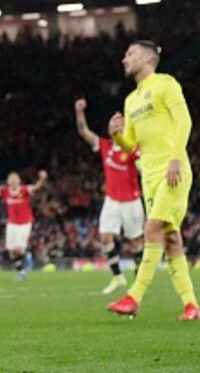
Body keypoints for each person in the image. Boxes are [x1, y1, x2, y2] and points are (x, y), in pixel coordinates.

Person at [107, 41, 200, 321]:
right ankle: (191, 306)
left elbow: (184, 120)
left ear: (148, 58)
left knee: (152, 229)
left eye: (130, 54)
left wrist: (175, 157)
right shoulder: (131, 100)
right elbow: (130, 145)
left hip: (173, 170)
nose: (125, 59)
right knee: (171, 240)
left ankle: (133, 297)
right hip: (148, 177)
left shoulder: (165, 83)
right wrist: (116, 135)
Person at [74, 98, 144, 294]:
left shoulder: (131, 148)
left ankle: (140, 281)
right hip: (112, 200)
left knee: (136, 242)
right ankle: (118, 277)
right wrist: (79, 112)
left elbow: (142, 167)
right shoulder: (104, 146)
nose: (117, 125)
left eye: (121, 122)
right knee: (105, 237)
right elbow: (83, 132)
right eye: (114, 122)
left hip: (131, 201)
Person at [0, 168, 48, 280]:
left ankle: (27, 256)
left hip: (24, 223)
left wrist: (42, 178)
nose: (13, 180)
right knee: (11, 251)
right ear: (8, 181)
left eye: (15, 178)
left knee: (18, 249)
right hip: (12, 224)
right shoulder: (5, 192)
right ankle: (21, 271)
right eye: (10, 178)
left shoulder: (24, 190)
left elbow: (37, 187)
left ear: (19, 180)